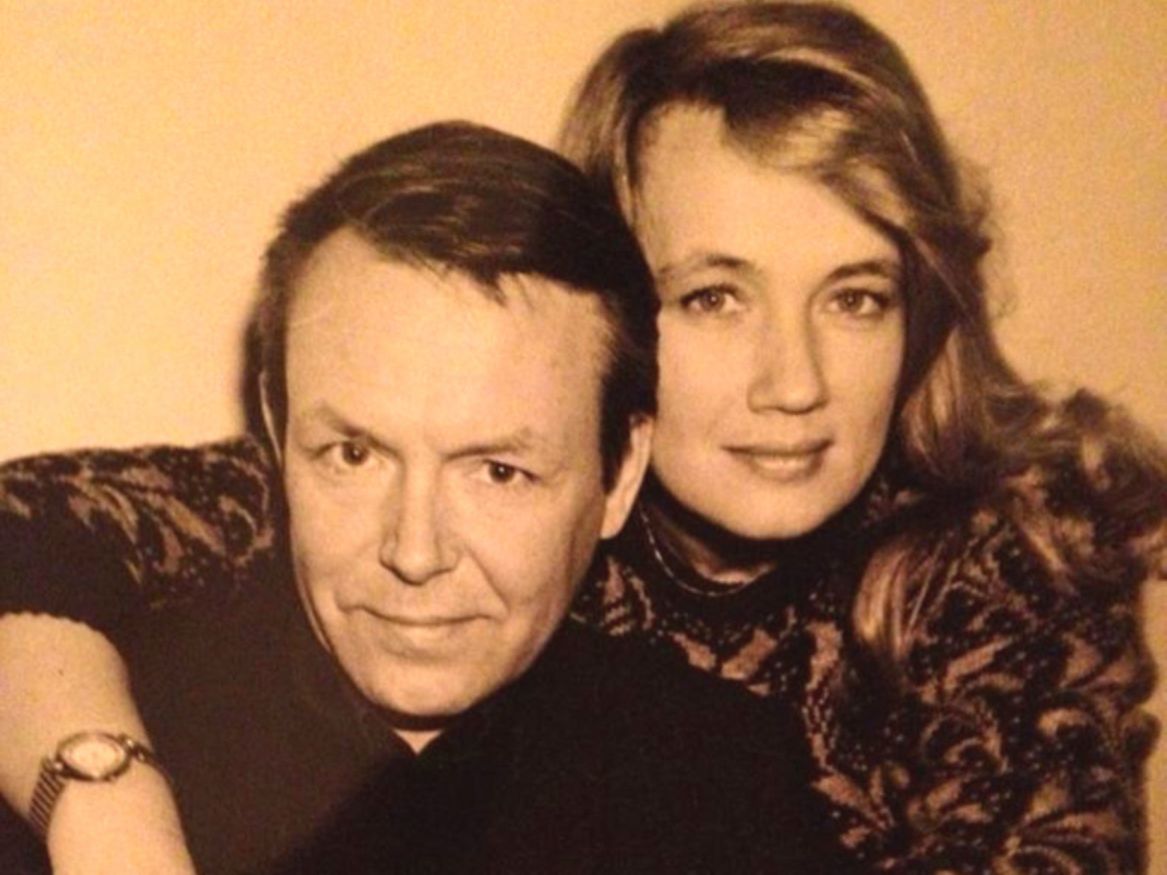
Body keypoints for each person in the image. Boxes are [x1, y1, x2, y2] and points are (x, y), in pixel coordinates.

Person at [2, 1, 1164, 872]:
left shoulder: (1000, 573)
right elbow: (33, 531)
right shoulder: (471, 479)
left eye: (855, 296)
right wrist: (106, 805)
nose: (795, 382)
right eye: (715, 295)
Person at [0, 121, 848, 874]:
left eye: (498, 472)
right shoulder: (86, 748)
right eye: (354, 454)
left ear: (620, 472)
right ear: (278, 429)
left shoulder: (720, 779)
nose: (413, 552)